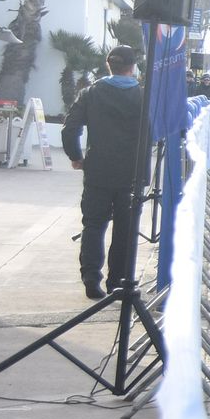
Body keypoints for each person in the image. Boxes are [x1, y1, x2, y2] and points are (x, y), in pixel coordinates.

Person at [62, 45, 148, 299]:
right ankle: (117, 282)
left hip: (98, 170)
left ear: (108, 65)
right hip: (131, 173)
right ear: (133, 67)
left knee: (93, 225)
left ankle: (91, 277)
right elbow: (154, 131)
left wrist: (76, 157)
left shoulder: (91, 92)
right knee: (125, 228)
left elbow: (69, 128)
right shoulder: (143, 96)